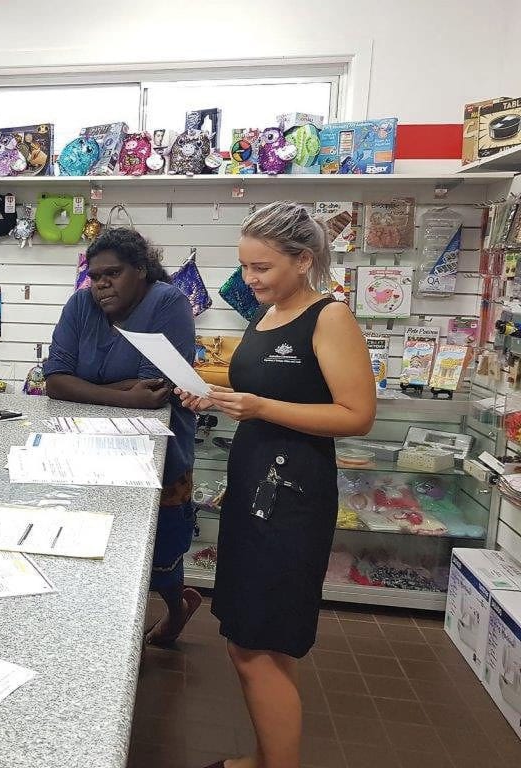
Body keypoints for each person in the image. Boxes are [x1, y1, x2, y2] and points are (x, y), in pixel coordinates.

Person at [177, 201, 376, 768]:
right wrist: (211, 395)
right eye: (244, 266)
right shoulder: (263, 317)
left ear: (303, 260)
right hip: (252, 485)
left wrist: (262, 406)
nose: (249, 279)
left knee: (255, 647)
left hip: (290, 498)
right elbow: (260, 395)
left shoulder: (329, 317)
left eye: (261, 267)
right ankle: (265, 759)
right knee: (256, 640)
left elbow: (357, 415)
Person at [44, 227, 200, 645]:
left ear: (142, 271)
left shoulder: (168, 302)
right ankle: (112, 635)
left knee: (161, 553)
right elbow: (54, 381)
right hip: (88, 450)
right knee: (101, 547)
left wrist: (89, 390)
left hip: (158, 454)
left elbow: (158, 388)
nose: (101, 285)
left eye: (112, 274)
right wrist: (124, 396)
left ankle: (176, 606)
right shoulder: (81, 304)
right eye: (94, 277)